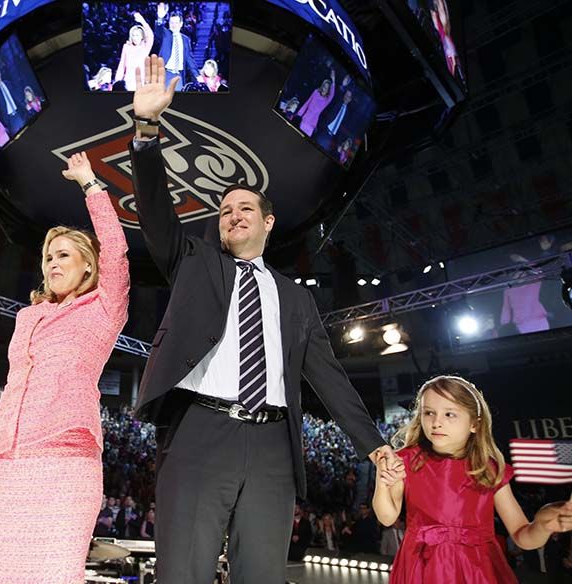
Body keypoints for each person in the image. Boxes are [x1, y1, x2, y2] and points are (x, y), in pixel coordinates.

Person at [126, 55, 403, 584]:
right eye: (224, 211)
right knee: (182, 574)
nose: (232, 215)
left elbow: (330, 379)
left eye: (244, 208)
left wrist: (374, 443)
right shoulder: (194, 262)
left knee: (263, 577)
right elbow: (157, 212)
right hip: (199, 433)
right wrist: (146, 129)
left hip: (275, 447)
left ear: (268, 222)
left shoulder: (296, 299)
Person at [0, 151, 130, 583]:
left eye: (63, 256)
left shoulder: (104, 307)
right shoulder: (27, 317)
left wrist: (90, 185)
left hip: (65, 462)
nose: (53, 264)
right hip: (9, 465)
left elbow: (116, 249)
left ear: (87, 265)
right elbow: (13, 387)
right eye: (48, 258)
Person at [372, 375, 572, 583]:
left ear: (475, 423)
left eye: (450, 414)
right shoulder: (408, 460)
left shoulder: (488, 470)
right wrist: (382, 483)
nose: (436, 422)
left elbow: (523, 537)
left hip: (477, 571)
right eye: (429, 413)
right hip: (422, 568)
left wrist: (543, 525)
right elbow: (388, 517)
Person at [153, 4, 200, 91]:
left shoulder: (185, 39)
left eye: (176, 22)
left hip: (179, 75)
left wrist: (197, 75)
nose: (174, 25)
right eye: (171, 22)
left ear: (181, 24)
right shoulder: (165, 34)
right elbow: (158, 30)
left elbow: (189, 59)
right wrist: (160, 18)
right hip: (166, 73)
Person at [115, 11, 154, 91]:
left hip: (141, 83)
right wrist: (117, 82)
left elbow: (150, 35)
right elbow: (122, 65)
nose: (135, 37)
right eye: (133, 35)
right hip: (128, 82)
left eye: (137, 35)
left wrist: (142, 21)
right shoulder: (126, 47)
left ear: (142, 37)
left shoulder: (145, 47)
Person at [295, 72, 335, 136]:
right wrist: (299, 114)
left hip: (311, 125)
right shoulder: (316, 92)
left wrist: (333, 80)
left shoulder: (326, 100)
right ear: (322, 86)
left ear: (328, 90)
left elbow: (332, 95)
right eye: (324, 86)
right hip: (305, 119)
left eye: (327, 88)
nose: (324, 89)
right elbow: (307, 103)